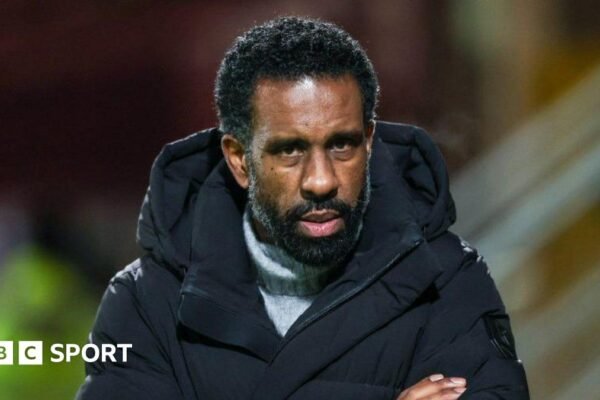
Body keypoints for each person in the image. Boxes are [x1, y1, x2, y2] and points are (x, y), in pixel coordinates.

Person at [76, 17, 529, 400]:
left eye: (342, 145)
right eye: (290, 150)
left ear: (370, 142)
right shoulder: (145, 302)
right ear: (239, 159)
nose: (321, 181)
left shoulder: (449, 280)